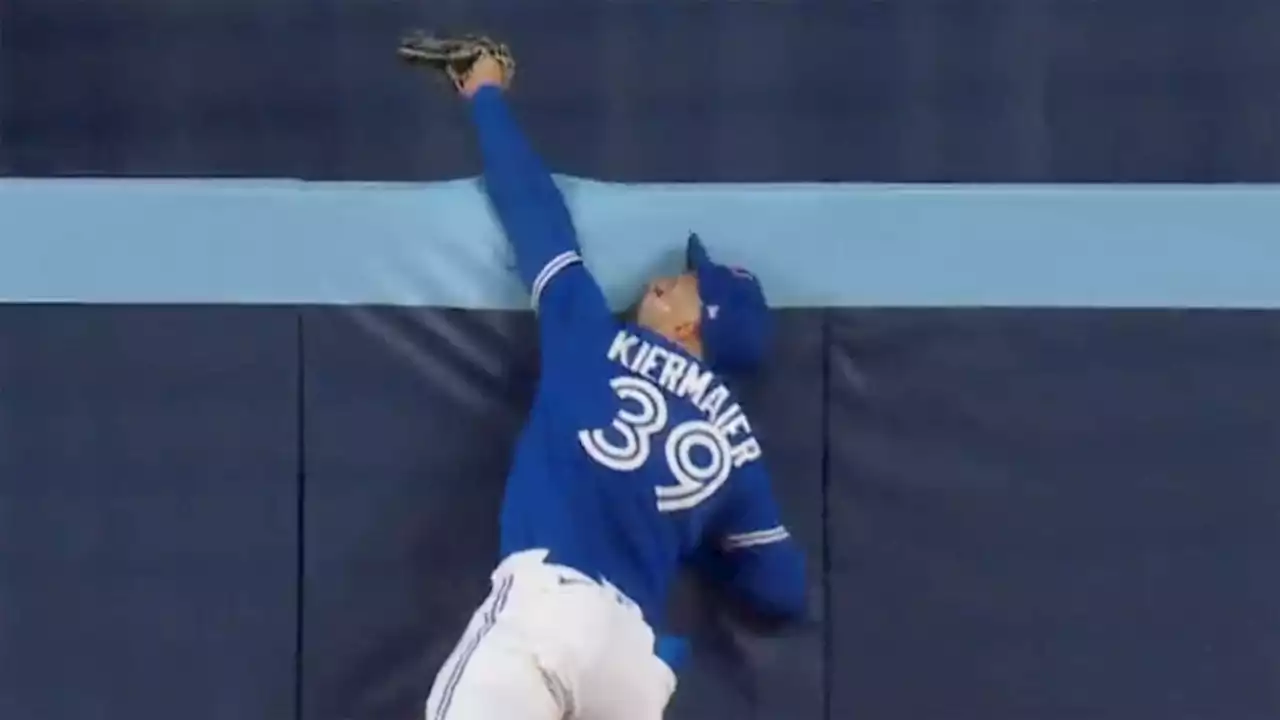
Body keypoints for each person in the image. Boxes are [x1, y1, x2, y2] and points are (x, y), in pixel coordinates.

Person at [423, 50, 807, 720]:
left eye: (685, 284)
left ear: (695, 322)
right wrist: (693, 536)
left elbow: (533, 212)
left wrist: (485, 96)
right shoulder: (734, 451)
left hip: (547, 611)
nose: (662, 282)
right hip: (631, 665)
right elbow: (782, 590)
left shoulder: (595, 338)